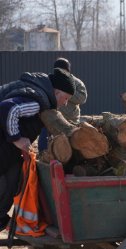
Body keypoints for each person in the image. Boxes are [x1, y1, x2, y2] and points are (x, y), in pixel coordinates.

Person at [0, 68, 75, 231]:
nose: (65, 103)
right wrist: (17, 139)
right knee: (5, 182)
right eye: (66, 98)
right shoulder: (37, 99)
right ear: (56, 92)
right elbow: (8, 109)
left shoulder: (35, 90)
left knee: (13, 174)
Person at [38, 57, 87, 151]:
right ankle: (42, 154)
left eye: (62, 70)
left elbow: (82, 98)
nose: (59, 72)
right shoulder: (51, 79)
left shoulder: (77, 83)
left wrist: (66, 93)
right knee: (45, 139)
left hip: (70, 118)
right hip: (52, 117)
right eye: (57, 70)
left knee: (69, 145)